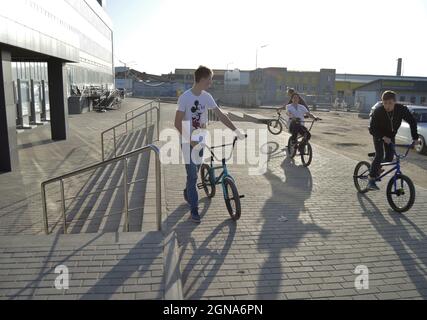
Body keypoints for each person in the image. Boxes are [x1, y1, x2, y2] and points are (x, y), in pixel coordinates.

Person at [174, 66, 245, 223]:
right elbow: (177, 123)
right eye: (209, 79)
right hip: (188, 141)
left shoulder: (207, 97)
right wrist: (190, 140)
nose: (211, 83)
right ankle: (194, 210)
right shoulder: (185, 98)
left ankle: (188, 190)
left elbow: (220, 115)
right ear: (202, 79)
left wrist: (236, 130)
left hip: (201, 139)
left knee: (195, 172)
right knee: (192, 176)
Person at [367, 90, 419, 191]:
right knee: (379, 154)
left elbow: (412, 121)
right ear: (382, 102)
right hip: (378, 135)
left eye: (390, 103)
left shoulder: (401, 109)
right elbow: (372, 128)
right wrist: (382, 137)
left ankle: (375, 165)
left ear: (395, 102)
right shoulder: (378, 111)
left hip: (390, 136)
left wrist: (415, 137)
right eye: (385, 103)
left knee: (390, 158)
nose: (387, 106)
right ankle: (371, 180)